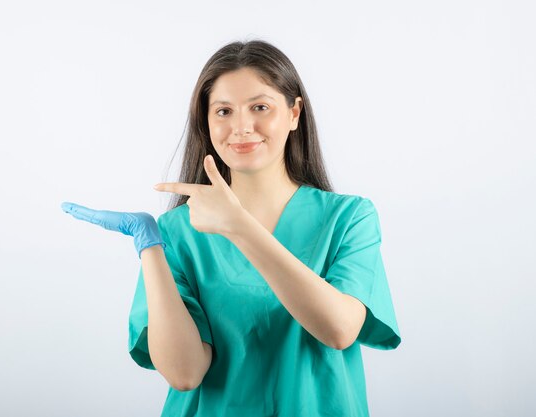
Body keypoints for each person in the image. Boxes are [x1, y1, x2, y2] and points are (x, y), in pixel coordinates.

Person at [61, 39, 401, 416]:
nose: (241, 126)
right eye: (223, 111)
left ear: (294, 113)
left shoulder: (349, 218)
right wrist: (152, 248)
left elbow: (339, 330)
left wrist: (240, 226)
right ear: (206, 123)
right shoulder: (177, 232)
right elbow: (185, 373)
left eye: (260, 107)